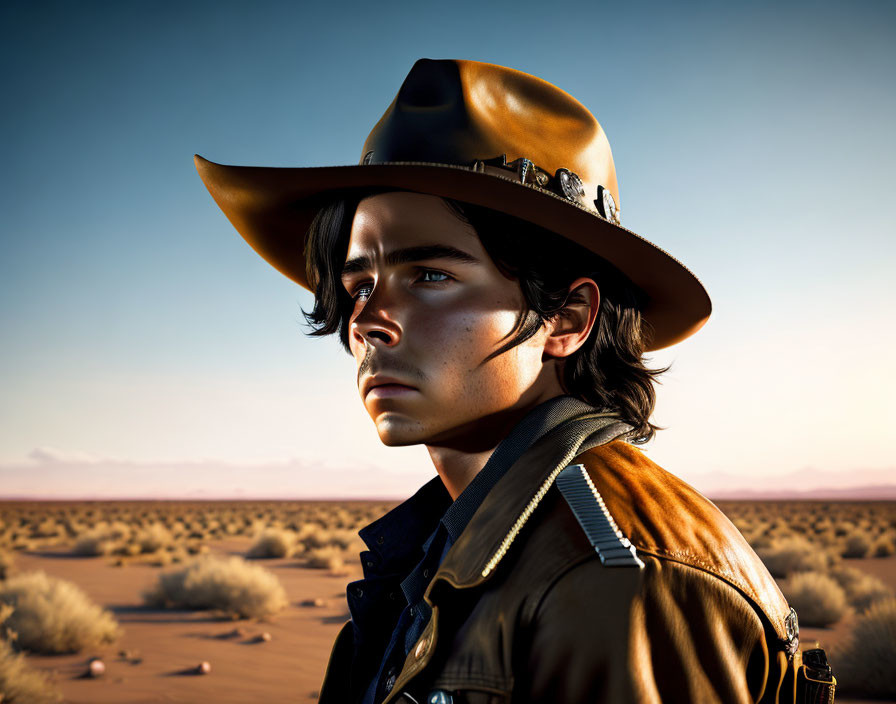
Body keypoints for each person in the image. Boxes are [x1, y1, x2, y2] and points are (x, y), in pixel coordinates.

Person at [195, 59, 836, 703]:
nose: (368, 321)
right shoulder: (452, 545)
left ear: (566, 317)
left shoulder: (612, 578)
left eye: (430, 276)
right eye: (359, 285)